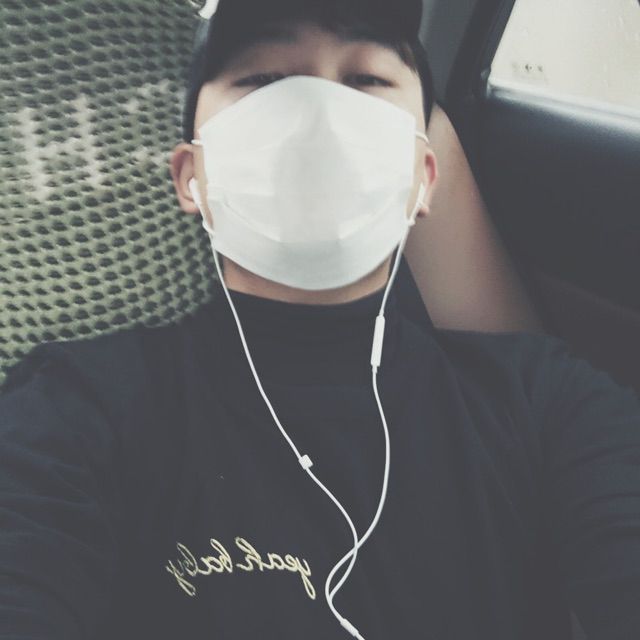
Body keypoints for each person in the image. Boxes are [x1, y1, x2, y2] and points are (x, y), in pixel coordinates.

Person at [1, 1, 639, 639]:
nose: (317, 112)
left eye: (365, 79)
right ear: (191, 178)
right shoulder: (75, 407)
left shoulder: (544, 399)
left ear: (423, 178)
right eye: (264, 80)